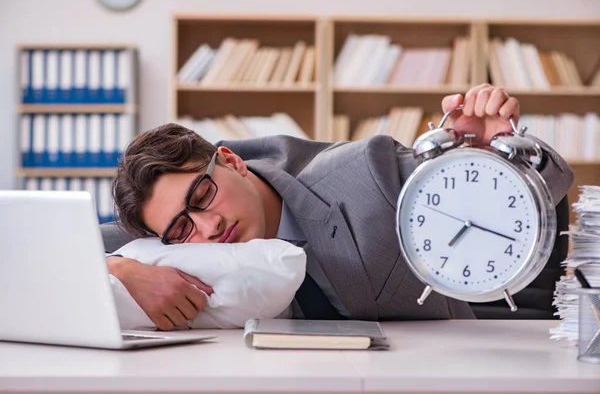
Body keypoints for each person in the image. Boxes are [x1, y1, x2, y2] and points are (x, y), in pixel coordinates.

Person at [103, 84, 574, 330]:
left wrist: (495, 154)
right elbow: (47, 243)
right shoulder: (174, 236)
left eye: (203, 197)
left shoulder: (366, 174)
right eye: (183, 229)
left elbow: (536, 197)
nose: (209, 228)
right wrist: (120, 270)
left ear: (231, 161)